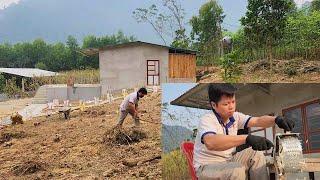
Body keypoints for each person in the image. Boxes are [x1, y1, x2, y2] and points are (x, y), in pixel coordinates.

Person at [194, 84, 295, 180]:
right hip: (207, 167)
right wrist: (246, 138)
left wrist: (276, 119)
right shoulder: (207, 119)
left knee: (256, 154)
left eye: (233, 102)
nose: (231, 107)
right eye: (226, 104)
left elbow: (257, 120)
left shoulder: (235, 117)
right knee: (236, 170)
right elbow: (211, 142)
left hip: (228, 161)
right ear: (214, 105)